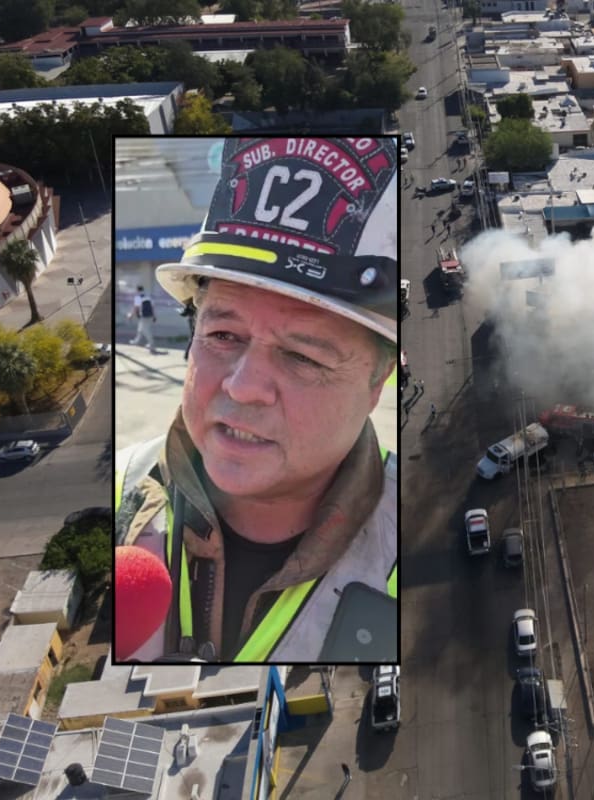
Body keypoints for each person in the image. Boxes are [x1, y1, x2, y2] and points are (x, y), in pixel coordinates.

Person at [113, 136, 400, 663]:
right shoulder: (117, 497)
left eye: (304, 358)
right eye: (222, 336)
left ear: (376, 384)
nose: (242, 386)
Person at [128, 285, 156, 351]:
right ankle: (136, 341)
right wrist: (154, 316)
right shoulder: (148, 296)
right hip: (149, 316)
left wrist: (131, 315)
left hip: (144, 316)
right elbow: (152, 307)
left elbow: (136, 308)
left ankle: (151, 344)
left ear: (137, 290)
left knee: (146, 330)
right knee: (140, 329)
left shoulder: (138, 297)